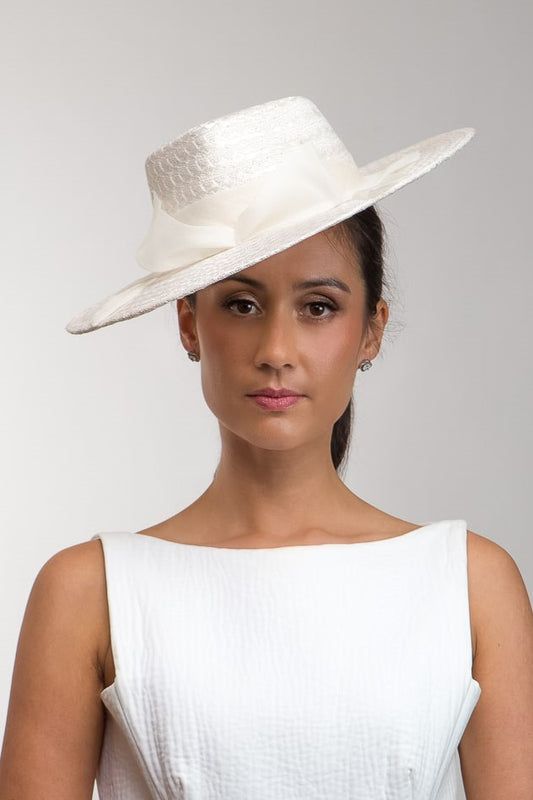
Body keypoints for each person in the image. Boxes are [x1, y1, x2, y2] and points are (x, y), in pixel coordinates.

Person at [0, 96, 531, 800]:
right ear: (188, 323)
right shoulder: (87, 592)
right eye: (240, 304)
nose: (276, 351)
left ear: (370, 329)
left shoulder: (470, 583)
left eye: (318, 307)